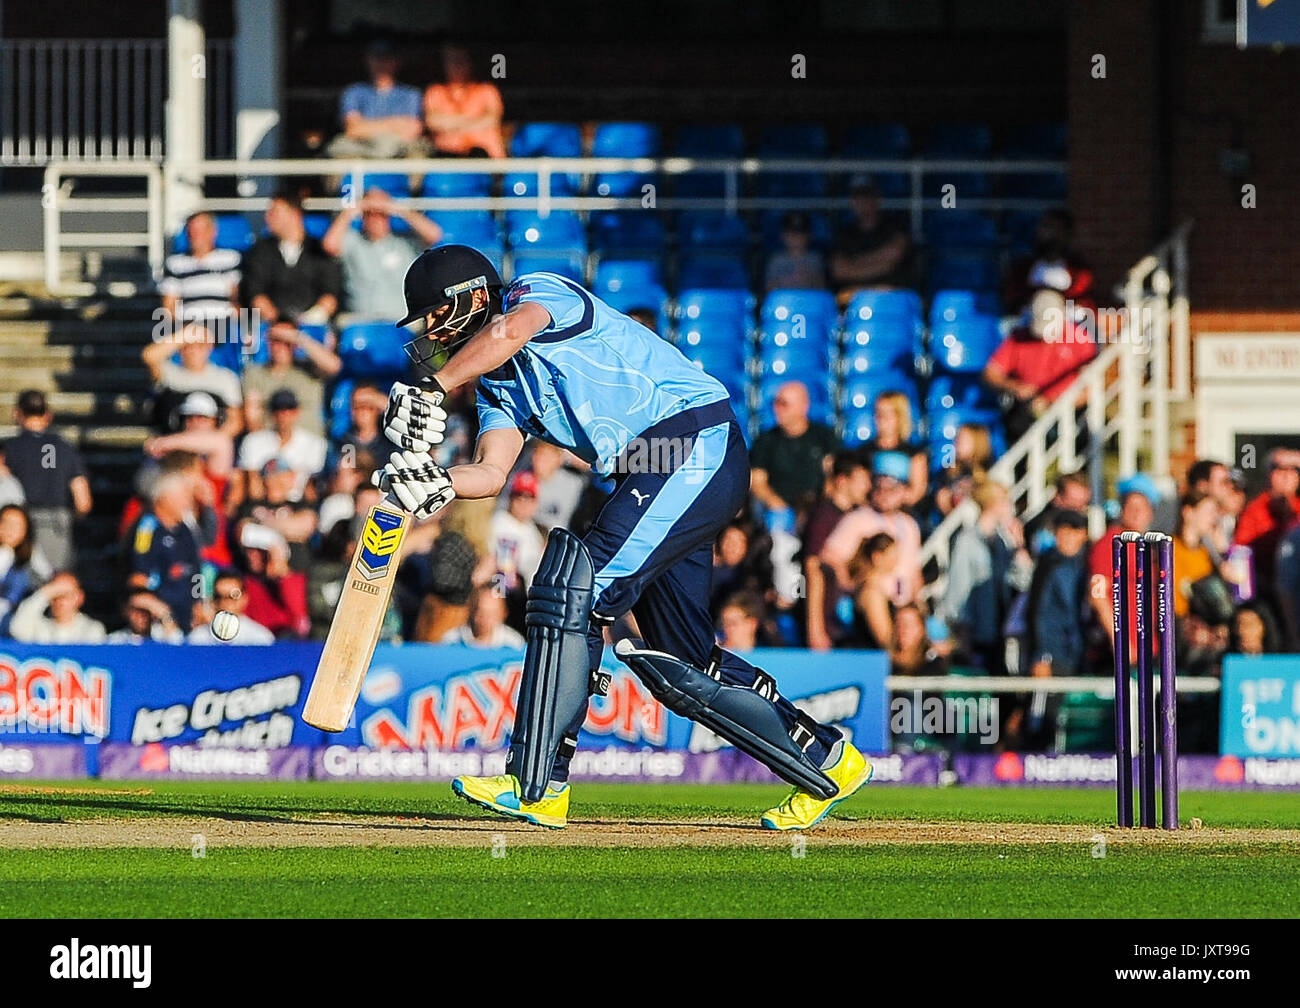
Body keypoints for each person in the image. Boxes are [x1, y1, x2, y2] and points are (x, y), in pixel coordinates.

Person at [371, 244, 868, 831]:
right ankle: (829, 760)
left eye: (433, 316)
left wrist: (433, 384)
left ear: (472, 298)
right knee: (682, 665)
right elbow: (491, 472)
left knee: (574, 590)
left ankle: (538, 784)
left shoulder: (535, 294)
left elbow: (507, 332)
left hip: (689, 441)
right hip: (656, 472)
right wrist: (435, 482)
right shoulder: (495, 387)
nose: (430, 333)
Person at [938, 477, 1032, 675]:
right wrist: (963, 636)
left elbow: (1024, 581)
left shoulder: (1001, 542)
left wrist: (1019, 547)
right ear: (993, 504)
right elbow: (958, 591)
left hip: (1000, 631)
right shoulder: (967, 540)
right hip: (976, 635)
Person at [983, 287, 1096, 445]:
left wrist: (1055, 404)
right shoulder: (1018, 338)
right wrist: (1015, 386)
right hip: (1027, 411)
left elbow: (1091, 387)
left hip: (1068, 411)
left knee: (1080, 435)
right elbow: (991, 372)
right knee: (1014, 426)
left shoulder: (1080, 340)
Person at [820, 450, 923, 609]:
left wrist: (919, 606)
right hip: (868, 605)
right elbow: (830, 557)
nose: (884, 494)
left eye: (892, 489)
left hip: (902, 606)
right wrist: (850, 586)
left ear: (903, 490)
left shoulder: (909, 525)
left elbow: (914, 571)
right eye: (879, 487)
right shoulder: (858, 518)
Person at [3, 390, 92, 572]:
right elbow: (83, 502)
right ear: (48, 415)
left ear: (17, 413)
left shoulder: (8, 448)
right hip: (56, 523)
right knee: (54, 578)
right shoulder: (65, 447)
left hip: (17, 524)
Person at [322, 188, 442, 321]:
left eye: (382, 213)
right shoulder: (353, 241)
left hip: (402, 321)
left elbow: (434, 235)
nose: (376, 219)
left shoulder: (404, 241)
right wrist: (353, 209)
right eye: (370, 213)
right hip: (360, 321)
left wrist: (400, 210)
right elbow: (330, 245)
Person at [241, 190, 342, 328]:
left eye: (274, 212)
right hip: (271, 331)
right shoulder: (259, 251)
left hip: (313, 330)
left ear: (294, 214)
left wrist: (307, 323)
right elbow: (255, 294)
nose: (267, 217)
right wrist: (281, 323)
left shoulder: (319, 251)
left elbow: (330, 296)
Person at [802, 451, 870, 650]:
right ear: (842, 481)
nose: (867, 486)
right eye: (861, 480)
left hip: (845, 620)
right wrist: (816, 629)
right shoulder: (824, 518)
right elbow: (813, 570)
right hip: (828, 623)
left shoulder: (856, 516)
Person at [749, 381, 840, 519]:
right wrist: (778, 507)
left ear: (803, 406)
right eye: (776, 403)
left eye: (784, 404)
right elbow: (757, 481)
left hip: (816, 510)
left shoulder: (824, 438)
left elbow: (833, 475)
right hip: (778, 512)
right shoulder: (765, 441)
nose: (777, 409)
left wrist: (821, 507)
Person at [1087, 474, 1158, 648]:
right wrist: (1120, 640)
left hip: (1148, 647)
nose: (1136, 513)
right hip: (1121, 650)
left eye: (1141, 507)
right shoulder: (1111, 543)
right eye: (1130, 506)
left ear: (1150, 512)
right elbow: (1097, 595)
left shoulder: (1148, 546)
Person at [326, 39, 426, 160]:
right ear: (368, 60)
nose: (381, 63)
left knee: (417, 155)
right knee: (341, 154)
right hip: (361, 148)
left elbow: (412, 130)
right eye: (377, 58)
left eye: (386, 58)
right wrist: (394, 124)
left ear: (396, 62)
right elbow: (353, 129)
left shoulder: (410, 94)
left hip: (399, 148)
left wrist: (368, 127)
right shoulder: (354, 91)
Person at [127, 472, 202, 632]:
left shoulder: (186, 531)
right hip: (160, 617)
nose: (188, 503)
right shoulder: (146, 528)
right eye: (183, 497)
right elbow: (139, 577)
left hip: (188, 614)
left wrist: (199, 602)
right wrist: (160, 612)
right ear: (165, 498)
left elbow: (196, 572)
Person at [141, 322, 243, 434]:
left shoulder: (226, 378)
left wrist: (209, 441)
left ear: (209, 347)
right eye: (187, 345)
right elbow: (149, 356)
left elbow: (235, 422)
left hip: (211, 443)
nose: (193, 351)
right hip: (173, 441)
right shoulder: (169, 373)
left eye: (199, 345)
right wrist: (184, 335)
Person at [1233, 448, 1300, 618]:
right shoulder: (1253, 512)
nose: (1287, 475)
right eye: (1279, 468)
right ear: (1268, 473)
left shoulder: (1297, 510)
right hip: (1265, 597)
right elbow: (1240, 555)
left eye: (1294, 469)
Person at [241, 322, 341, 437]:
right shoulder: (255, 373)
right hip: (270, 442)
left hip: (309, 444)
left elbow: (334, 367)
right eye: (276, 340)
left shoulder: (310, 369)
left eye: (287, 341)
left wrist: (298, 338)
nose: (280, 346)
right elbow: (253, 417)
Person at [234, 388, 328, 507]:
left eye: (289, 409)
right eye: (278, 409)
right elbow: (254, 489)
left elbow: (310, 490)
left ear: (297, 412)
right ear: (271, 413)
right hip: (262, 504)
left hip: (298, 506)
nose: (284, 415)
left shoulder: (315, 444)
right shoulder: (253, 441)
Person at [828, 175, 913, 304]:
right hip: (853, 303)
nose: (863, 202)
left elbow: (893, 257)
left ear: (878, 198)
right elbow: (839, 270)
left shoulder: (895, 227)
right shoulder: (845, 233)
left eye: (867, 196)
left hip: (892, 300)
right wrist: (880, 263)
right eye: (858, 197)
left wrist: (854, 264)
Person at [1002, 209, 1095, 320]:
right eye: (1046, 227)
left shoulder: (1078, 270)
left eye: (1056, 229)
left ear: (1066, 234)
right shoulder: (1024, 268)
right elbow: (1013, 300)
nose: (1050, 234)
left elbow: (1085, 305)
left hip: (1068, 328)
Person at [159, 211, 241, 331]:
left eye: (200, 230)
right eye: (191, 230)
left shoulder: (231, 259)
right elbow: (169, 307)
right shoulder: (175, 263)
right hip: (189, 329)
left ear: (213, 232)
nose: (194, 234)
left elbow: (237, 299)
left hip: (224, 327)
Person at [422, 44, 506, 159]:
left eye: (461, 60)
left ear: (470, 63)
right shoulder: (435, 91)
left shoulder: (487, 89)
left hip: (487, 159)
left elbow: (492, 120)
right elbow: (432, 121)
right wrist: (473, 121)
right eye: (452, 60)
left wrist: (451, 123)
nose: (457, 65)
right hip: (447, 156)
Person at [855, 390, 928, 510]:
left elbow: (916, 492)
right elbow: (859, 490)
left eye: (887, 414)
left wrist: (892, 501)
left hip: (903, 515)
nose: (880, 419)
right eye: (878, 413)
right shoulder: (863, 452)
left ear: (899, 417)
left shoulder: (914, 454)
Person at [8, 571, 106, 644]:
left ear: (79, 597)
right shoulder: (39, 626)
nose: (59, 601)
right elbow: (16, 629)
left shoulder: (92, 628)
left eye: (65, 595)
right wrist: (45, 593)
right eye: (55, 596)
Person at [188, 570, 276, 645]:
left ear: (244, 598)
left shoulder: (260, 638)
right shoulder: (198, 638)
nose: (225, 601)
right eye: (219, 596)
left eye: (233, 595)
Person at [0, 505, 48, 637]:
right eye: (5, 522)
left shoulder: (33, 558)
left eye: (17, 524)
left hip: (17, 627)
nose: (10, 529)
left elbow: (46, 582)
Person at [1023, 470, 1092, 555]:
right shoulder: (1041, 526)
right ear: (1057, 497)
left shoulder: (1086, 522)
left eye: (1083, 503)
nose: (1078, 509)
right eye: (1073, 502)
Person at [933, 422, 993, 517]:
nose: (956, 443)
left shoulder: (988, 469)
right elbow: (942, 499)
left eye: (962, 439)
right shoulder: (949, 471)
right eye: (957, 438)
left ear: (977, 442)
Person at [764, 211, 826, 292]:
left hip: (809, 301)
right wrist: (787, 281)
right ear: (783, 235)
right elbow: (769, 289)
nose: (796, 238)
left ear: (808, 236)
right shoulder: (776, 260)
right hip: (783, 301)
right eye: (791, 234)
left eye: (800, 234)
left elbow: (821, 287)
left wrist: (808, 278)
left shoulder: (815, 259)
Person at [448, 585, 526, 648]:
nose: (485, 619)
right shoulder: (452, 641)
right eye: (480, 611)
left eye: (492, 614)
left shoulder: (513, 644)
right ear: (471, 610)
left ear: (503, 614)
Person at [106, 589, 184, 644]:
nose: (141, 616)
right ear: (126, 611)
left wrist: (164, 613)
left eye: (146, 611)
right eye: (136, 610)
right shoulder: (117, 640)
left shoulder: (161, 635)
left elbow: (177, 644)